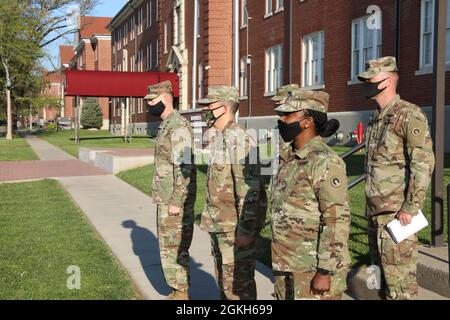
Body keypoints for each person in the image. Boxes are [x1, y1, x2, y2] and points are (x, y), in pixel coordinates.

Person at [358, 56, 435, 300]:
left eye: (371, 78)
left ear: (388, 80)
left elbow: (423, 164)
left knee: (400, 286)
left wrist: (410, 207)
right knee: (378, 281)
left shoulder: (408, 115)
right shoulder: (377, 117)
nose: (367, 83)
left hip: (396, 216)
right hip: (375, 212)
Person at [270, 89, 351, 300]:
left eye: (288, 115)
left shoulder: (324, 161)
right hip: (287, 262)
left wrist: (324, 271)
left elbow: (336, 219)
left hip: (312, 267)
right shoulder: (290, 157)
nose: (282, 119)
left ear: (307, 122)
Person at [198, 86, 267, 300]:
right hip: (222, 227)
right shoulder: (223, 138)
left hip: (234, 232)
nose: (206, 110)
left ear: (224, 107)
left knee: (238, 289)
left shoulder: (238, 140)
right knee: (226, 286)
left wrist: (245, 233)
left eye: (210, 106)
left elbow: (250, 193)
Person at [144, 80, 197, 300]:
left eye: (152, 100)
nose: (149, 105)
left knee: (174, 247)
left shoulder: (178, 126)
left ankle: (181, 293)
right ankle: (177, 290)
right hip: (165, 196)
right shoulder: (167, 124)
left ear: (166, 98)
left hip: (173, 200)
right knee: (168, 246)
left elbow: (184, 166)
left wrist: (176, 200)